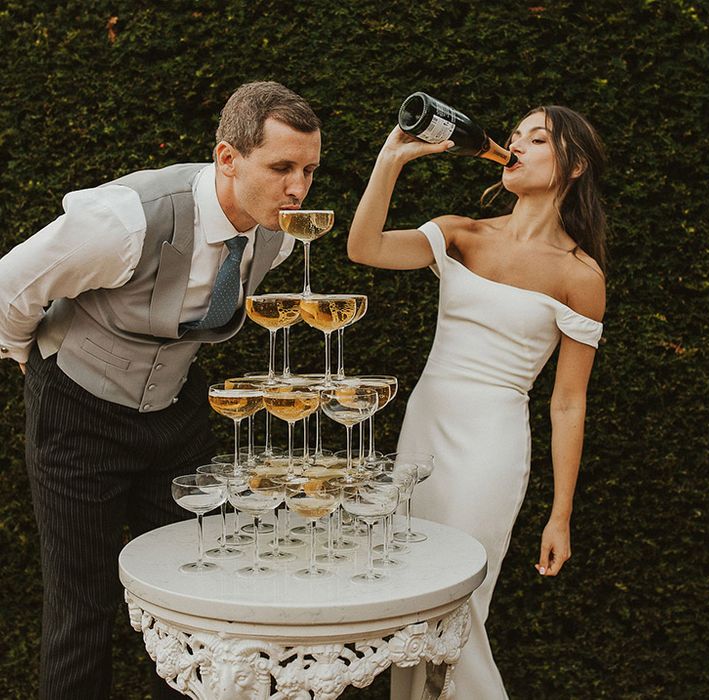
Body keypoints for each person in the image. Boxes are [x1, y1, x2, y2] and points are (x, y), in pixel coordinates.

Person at [0, 80, 321, 699]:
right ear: (228, 157)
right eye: (282, 167)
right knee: (81, 610)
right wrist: (29, 359)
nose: (299, 189)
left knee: (196, 598)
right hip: (77, 416)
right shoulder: (122, 220)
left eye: (309, 170)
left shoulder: (276, 233)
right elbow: (11, 287)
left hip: (175, 417)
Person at [348, 105, 606, 698]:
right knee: (408, 601)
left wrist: (560, 514)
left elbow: (568, 404)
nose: (516, 146)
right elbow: (363, 248)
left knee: (456, 612)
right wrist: (391, 160)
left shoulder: (580, 275)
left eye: (536, 139)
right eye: (514, 137)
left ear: (575, 166)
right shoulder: (460, 232)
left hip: (492, 444)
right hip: (425, 428)